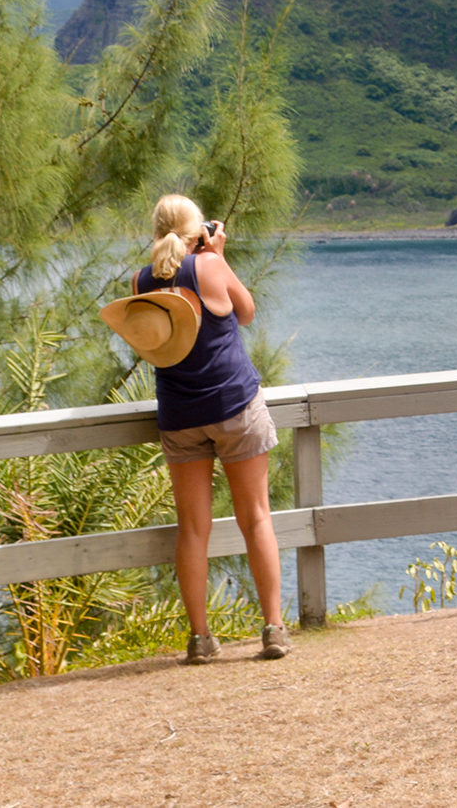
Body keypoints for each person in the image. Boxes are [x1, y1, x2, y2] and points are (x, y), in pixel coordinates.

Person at [135, 193, 288, 662]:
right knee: (255, 517)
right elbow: (246, 312)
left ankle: (200, 640)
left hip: (180, 416)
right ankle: (274, 629)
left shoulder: (143, 280)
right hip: (234, 404)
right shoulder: (209, 266)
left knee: (193, 529)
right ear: (198, 230)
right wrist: (218, 257)